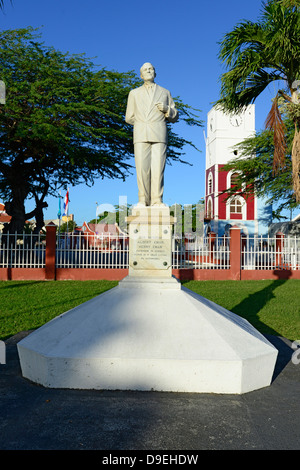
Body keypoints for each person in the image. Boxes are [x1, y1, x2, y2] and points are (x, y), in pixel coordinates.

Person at [125, 63, 178, 207]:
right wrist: (142, 121)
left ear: (155, 73)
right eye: (145, 70)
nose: (149, 71)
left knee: (158, 169)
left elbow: (175, 116)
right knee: (142, 169)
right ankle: (143, 199)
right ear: (141, 75)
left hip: (159, 133)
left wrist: (167, 109)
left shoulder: (165, 92)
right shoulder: (134, 93)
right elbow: (129, 117)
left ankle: (157, 200)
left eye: (151, 69)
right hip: (141, 133)